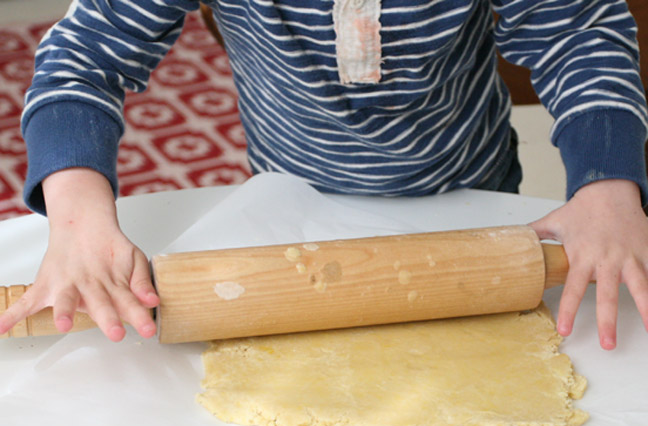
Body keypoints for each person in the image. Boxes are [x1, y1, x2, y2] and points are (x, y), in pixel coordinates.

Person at [0, 0, 647, 350]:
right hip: (290, 210)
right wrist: (78, 221)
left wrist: (607, 184)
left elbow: (578, 34)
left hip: (473, 202)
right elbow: (81, 62)